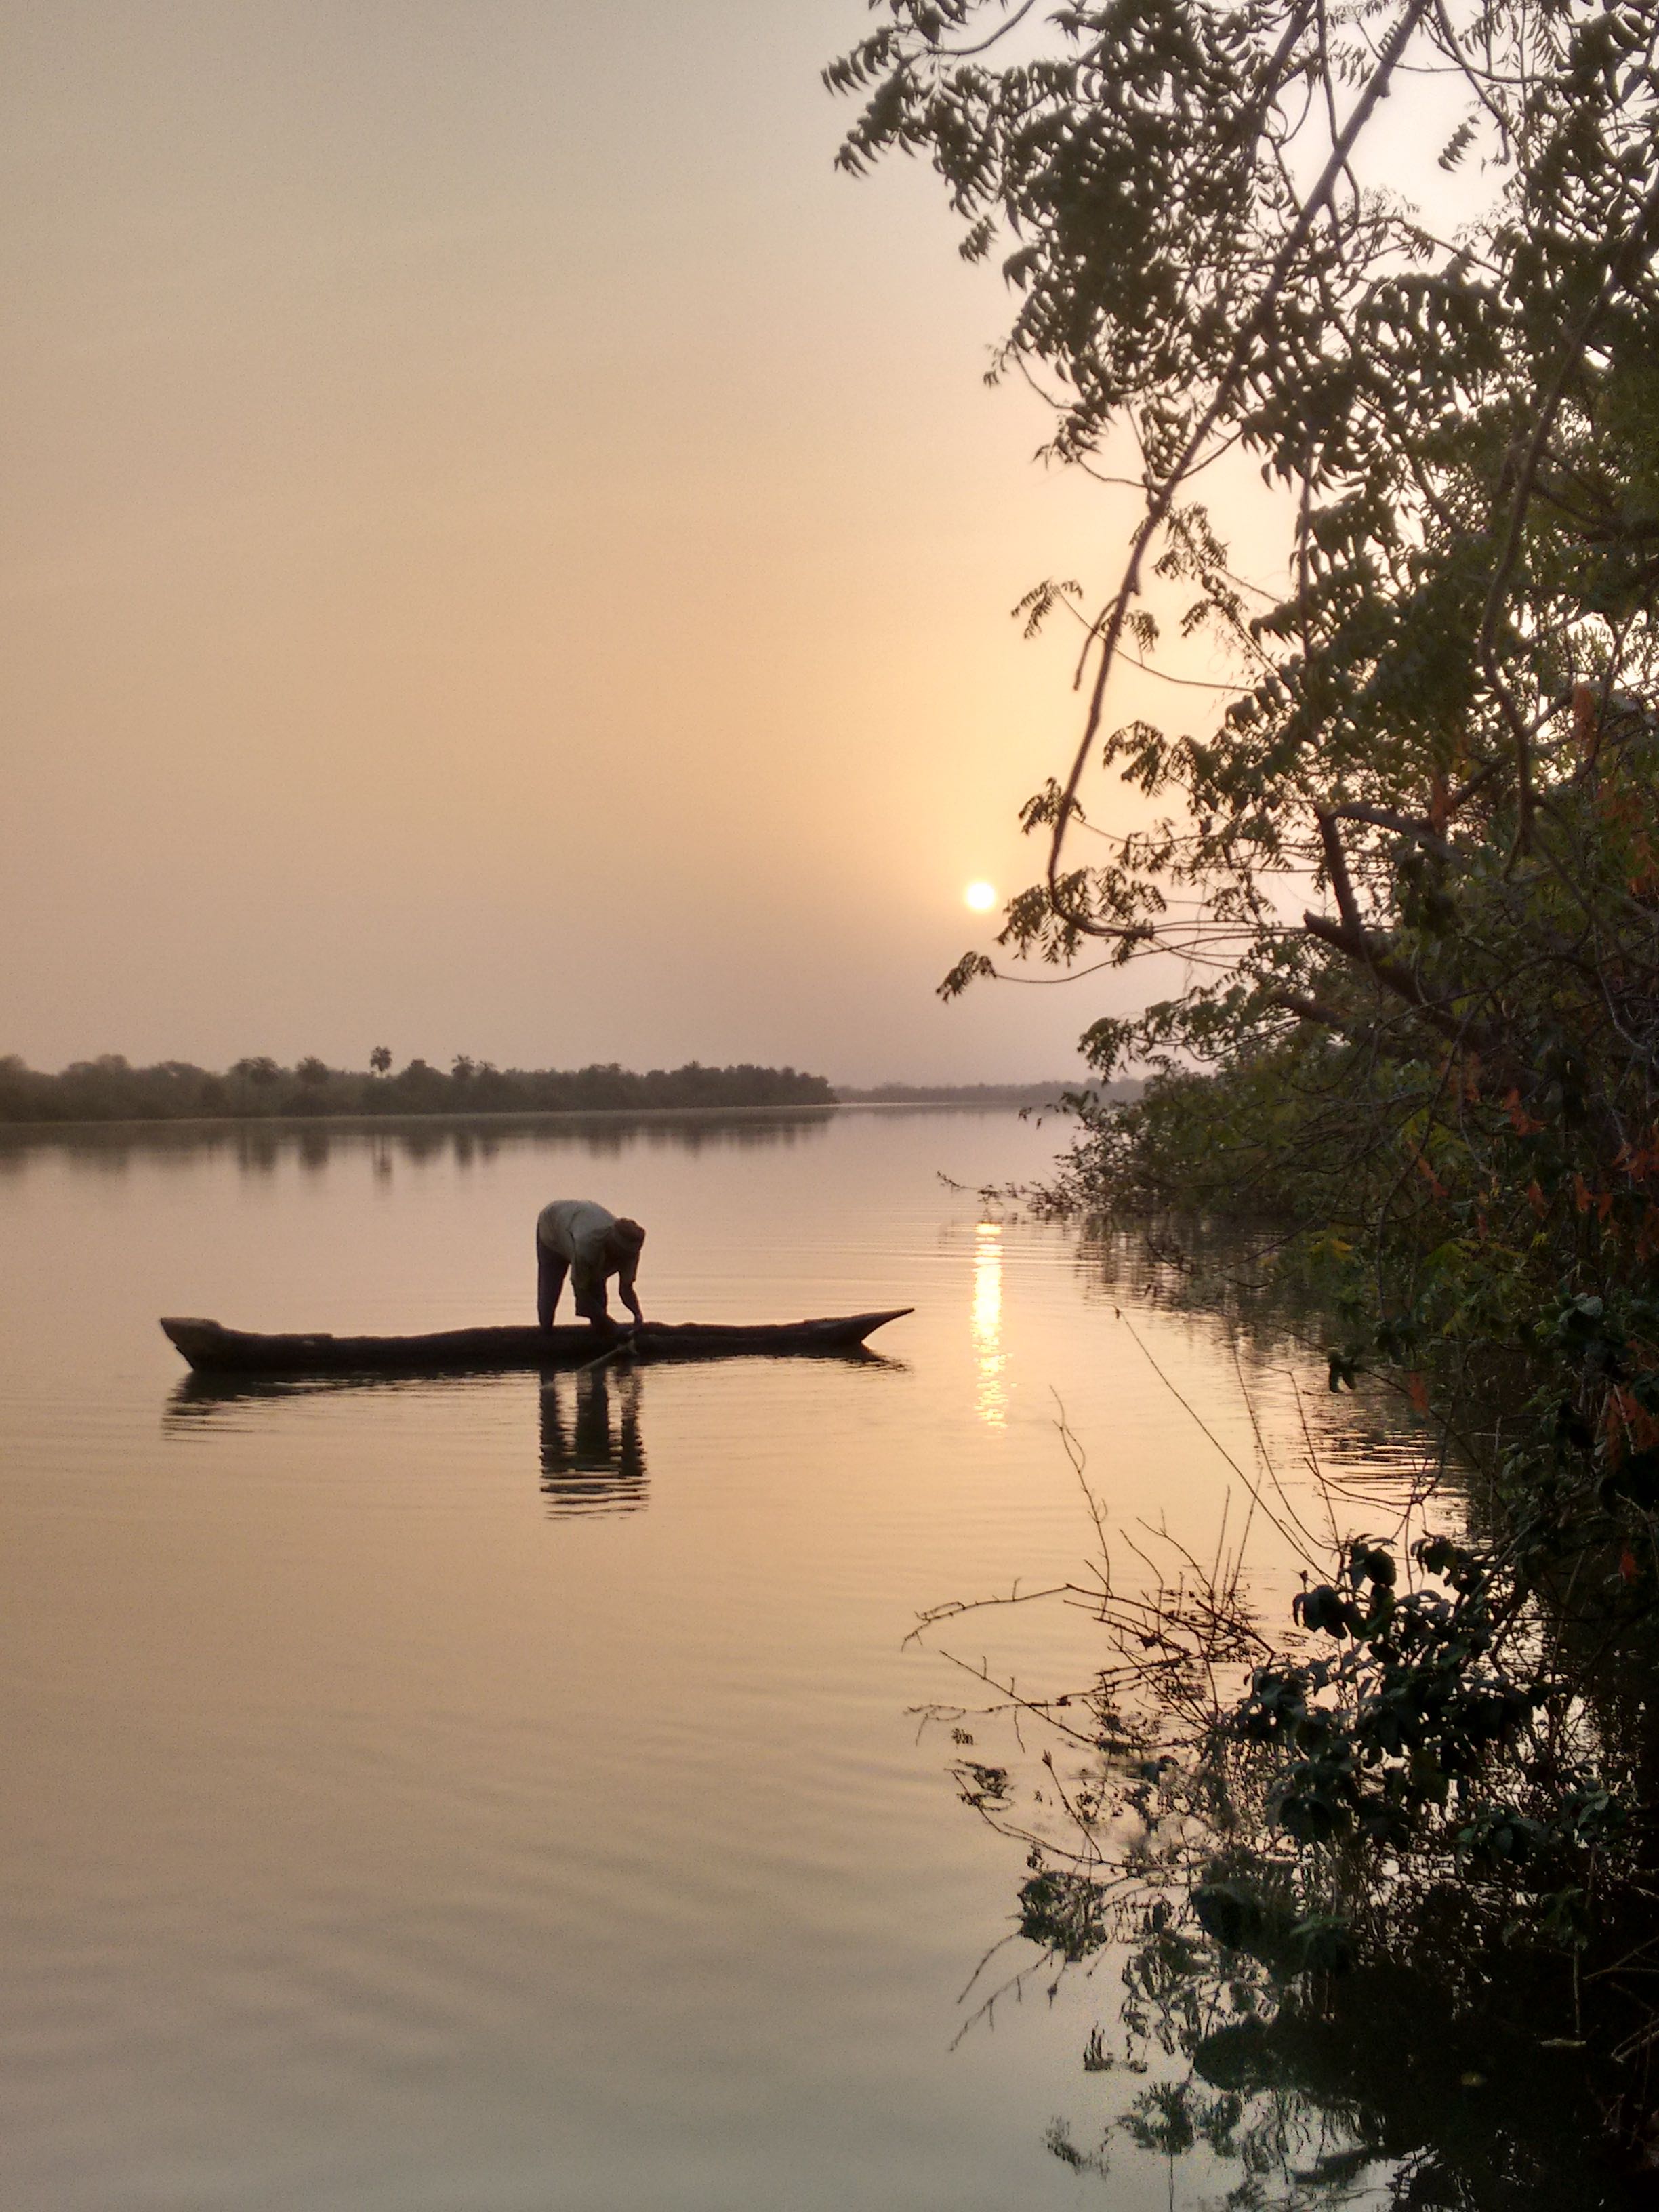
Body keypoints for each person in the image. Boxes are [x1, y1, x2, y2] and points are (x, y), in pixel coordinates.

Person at [536, 1199, 647, 1330]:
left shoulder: (631, 1253)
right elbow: (581, 1296)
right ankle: (546, 1333)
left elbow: (626, 1289)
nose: (621, 1260)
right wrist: (613, 1327)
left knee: (599, 1298)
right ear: (613, 1245)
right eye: (620, 1254)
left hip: (578, 1223)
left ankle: (599, 1339)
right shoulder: (587, 1247)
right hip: (552, 1227)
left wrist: (637, 1315)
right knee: (551, 1289)